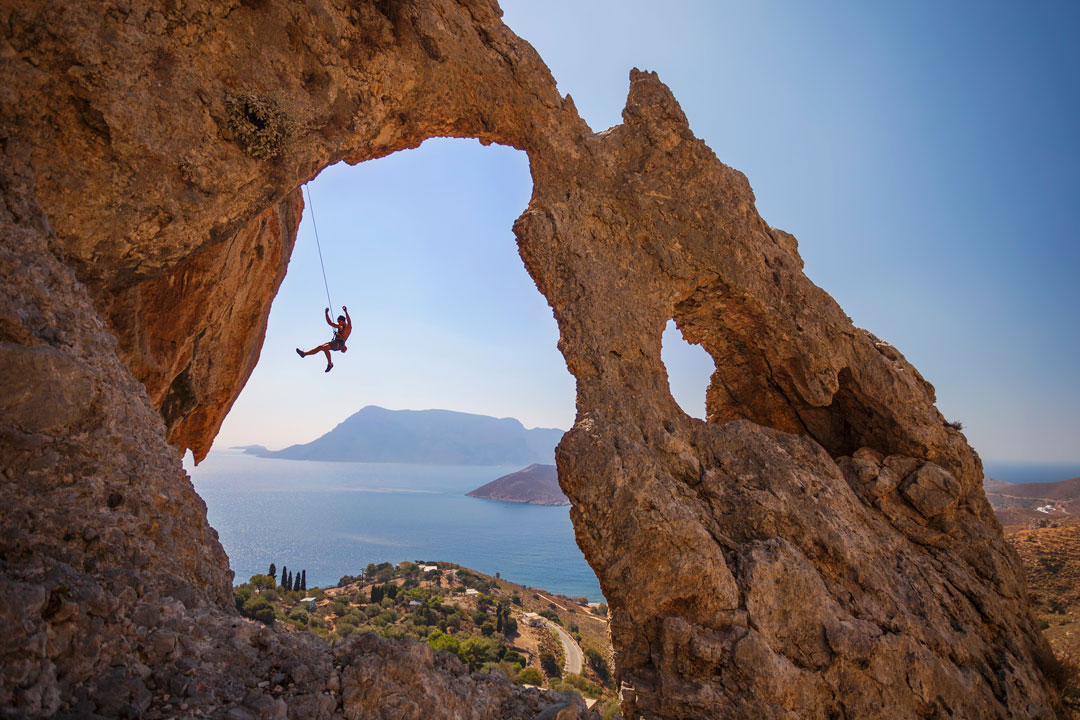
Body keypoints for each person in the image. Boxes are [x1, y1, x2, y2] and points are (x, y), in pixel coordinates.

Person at [296, 306, 351, 372]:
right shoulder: (340, 327)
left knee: (325, 347)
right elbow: (330, 323)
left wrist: (345, 311)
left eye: (339, 321)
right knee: (320, 347)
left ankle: (330, 364)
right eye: (338, 321)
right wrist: (326, 313)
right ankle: (304, 354)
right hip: (335, 342)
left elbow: (349, 321)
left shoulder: (348, 327)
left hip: (340, 344)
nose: (338, 323)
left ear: (343, 321)